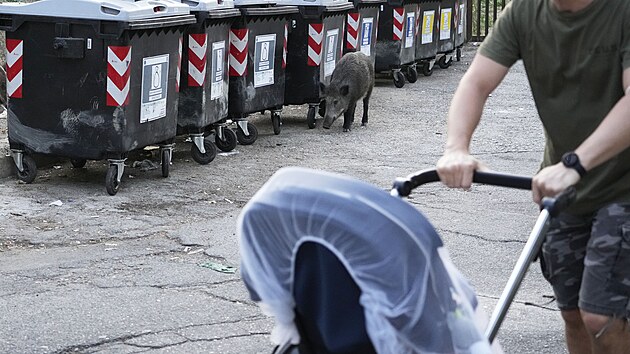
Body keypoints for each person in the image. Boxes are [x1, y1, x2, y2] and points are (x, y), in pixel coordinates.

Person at [435, 0, 630, 353]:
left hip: (623, 190)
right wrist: (456, 147)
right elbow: (476, 83)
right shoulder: (524, 12)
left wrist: (575, 163)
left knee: (601, 315)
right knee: (572, 312)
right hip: (565, 192)